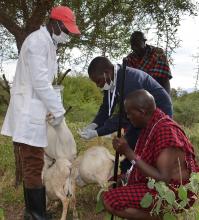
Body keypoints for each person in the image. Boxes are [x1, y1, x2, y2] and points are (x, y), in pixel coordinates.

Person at [1, 6, 80, 220]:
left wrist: (55, 103)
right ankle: (36, 215)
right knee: (33, 164)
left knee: (34, 162)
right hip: (28, 113)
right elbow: (39, 83)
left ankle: (34, 212)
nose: (68, 35)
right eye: (66, 29)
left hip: (34, 111)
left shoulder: (48, 43)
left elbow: (45, 82)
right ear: (54, 23)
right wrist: (58, 110)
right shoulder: (37, 42)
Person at [103, 89, 199, 220]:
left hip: (172, 191)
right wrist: (127, 176)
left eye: (130, 114)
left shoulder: (165, 130)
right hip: (158, 183)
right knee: (114, 183)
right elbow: (148, 163)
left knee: (110, 200)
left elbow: (163, 178)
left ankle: (160, 217)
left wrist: (128, 152)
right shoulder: (151, 125)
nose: (128, 118)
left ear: (142, 112)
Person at [79, 56, 172, 173]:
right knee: (128, 143)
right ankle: (127, 174)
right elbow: (106, 108)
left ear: (106, 73)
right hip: (139, 114)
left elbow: (124, 117)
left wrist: (98, 132)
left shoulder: (129, 81)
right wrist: (94, 124)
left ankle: (144, 175)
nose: (98, 85)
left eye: (98, 81)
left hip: (159, 111)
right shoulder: (111, 80)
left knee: (144, 144)